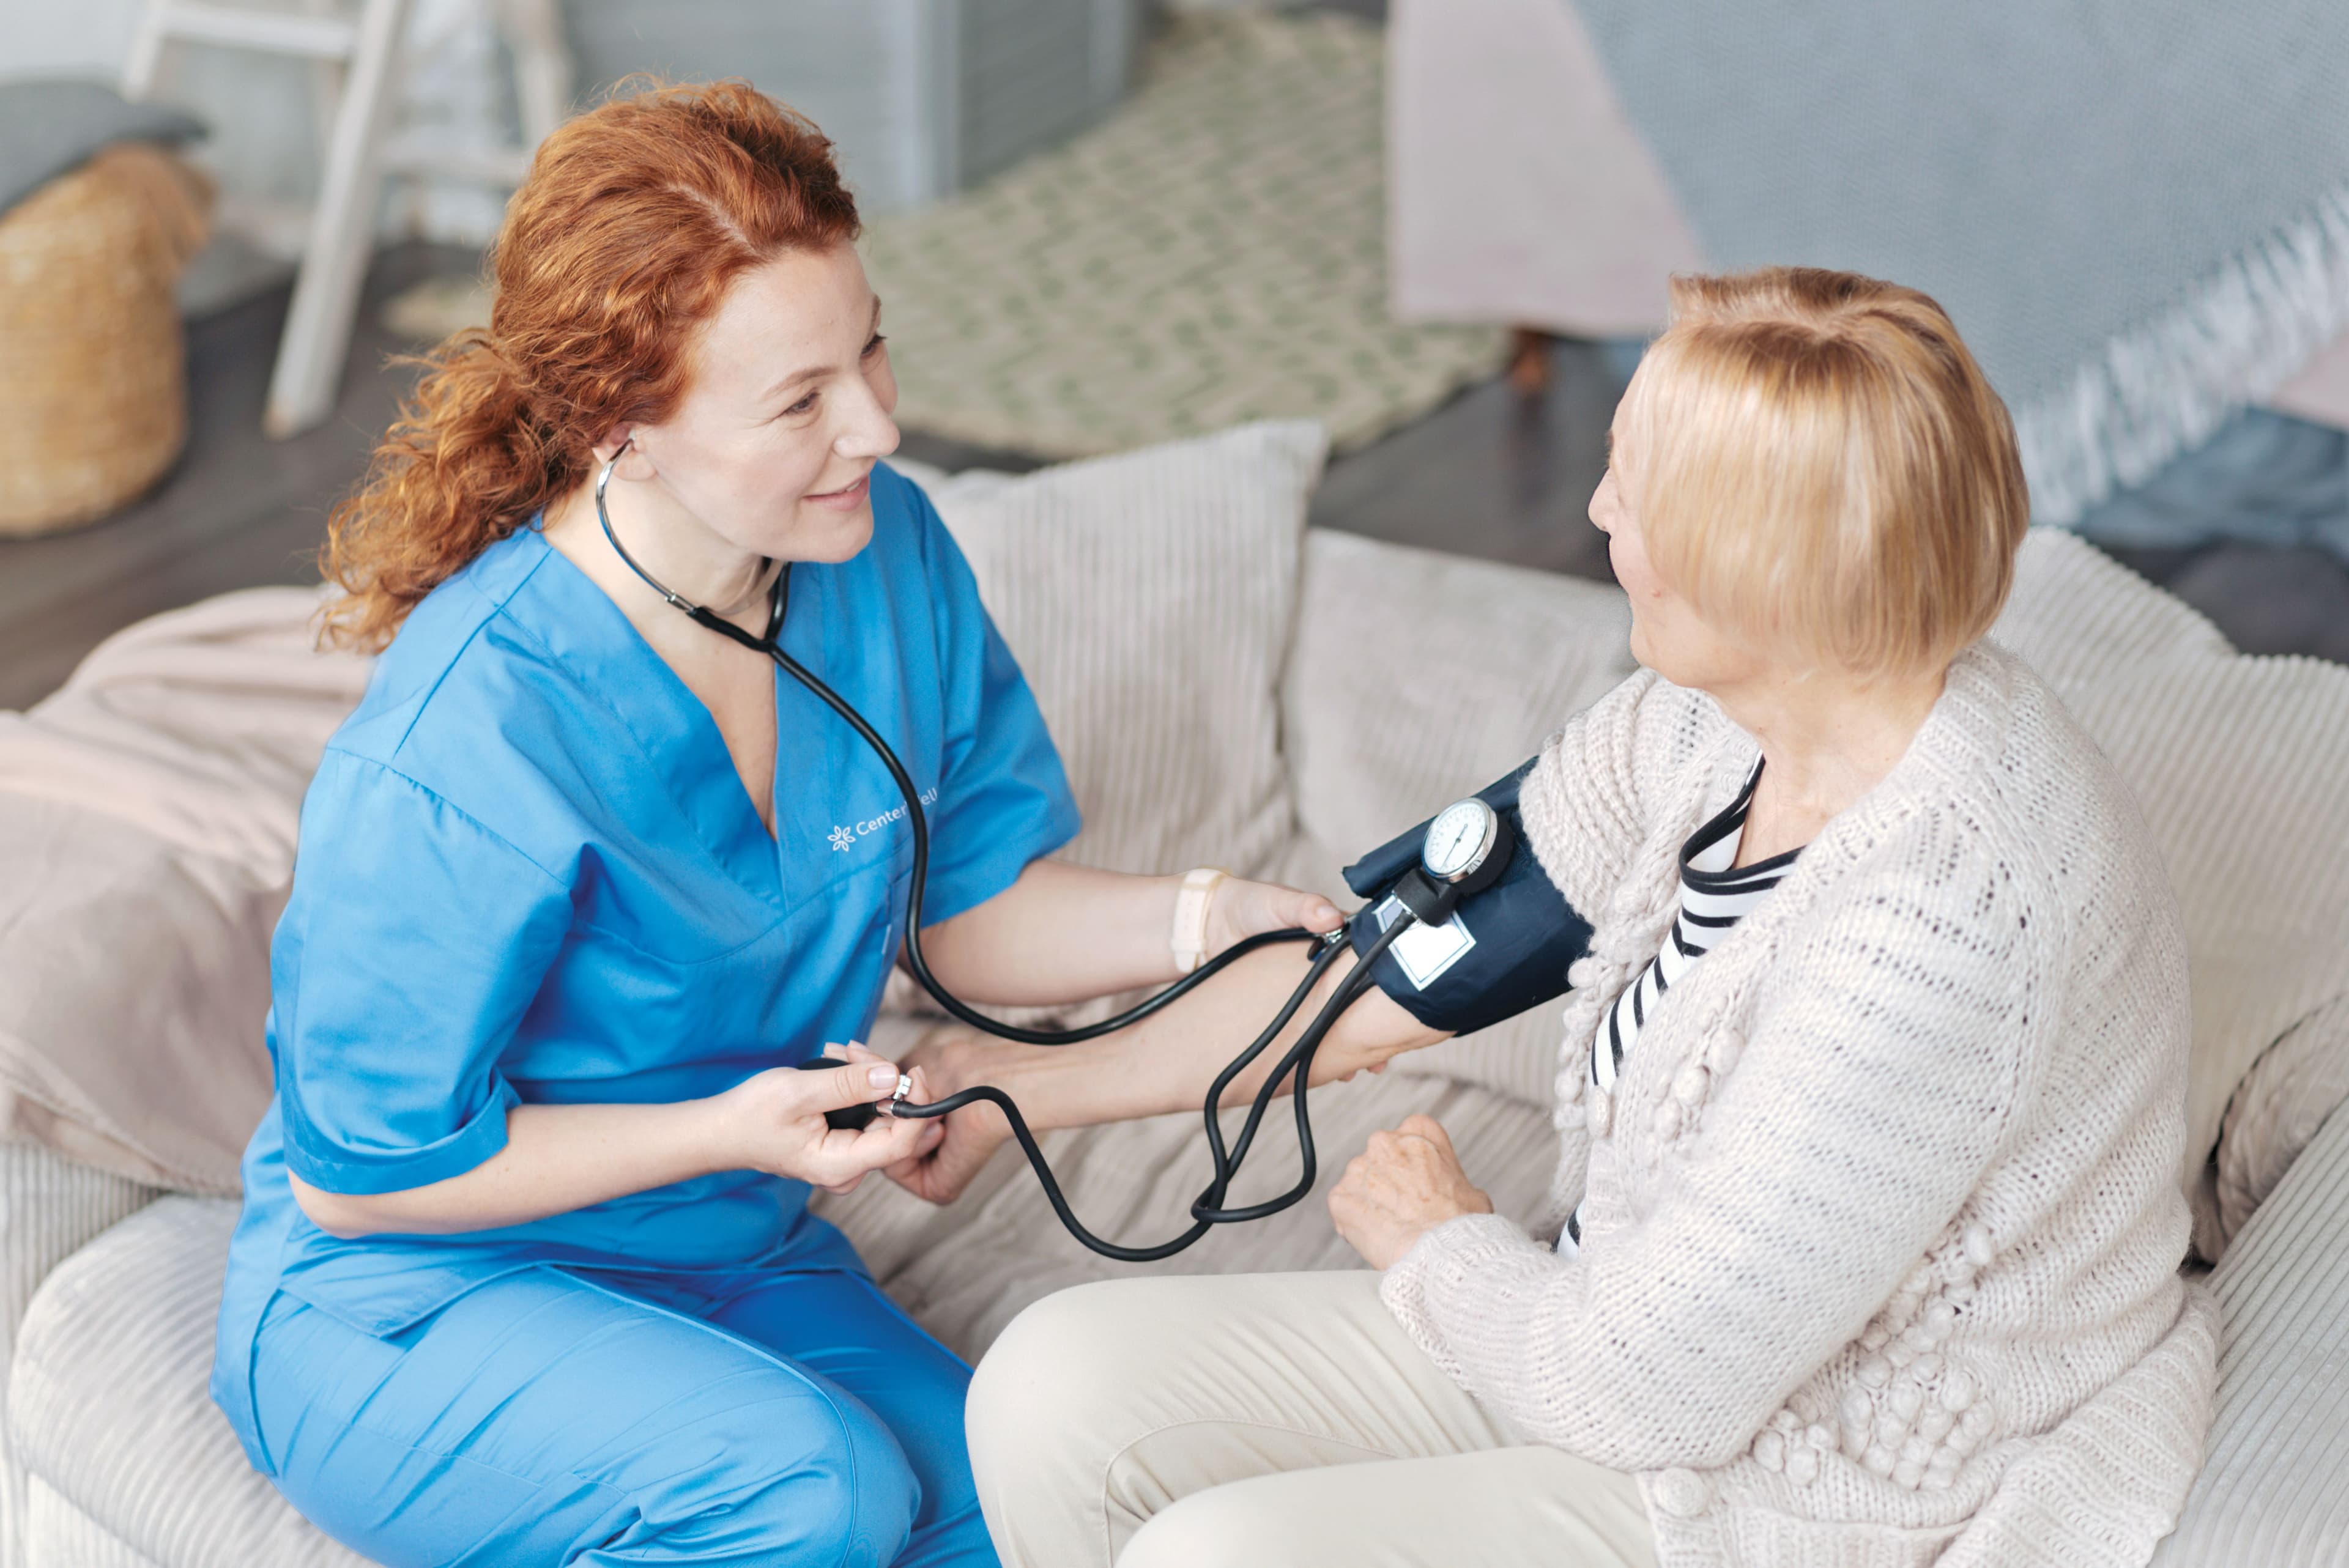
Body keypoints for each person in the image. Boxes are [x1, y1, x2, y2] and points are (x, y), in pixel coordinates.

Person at [207, 81, 1425, 1567]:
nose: (878, 422)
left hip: (724, 1246)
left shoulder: (885, 551)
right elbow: (363, 1172)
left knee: (1020, 1502)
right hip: (410, 1293)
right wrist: (732, 1127)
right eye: (801, 401)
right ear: (618, 427)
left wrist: (1205, 914)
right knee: (811, 1492)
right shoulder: (472, 737)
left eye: (870, 350)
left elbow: (972, 902)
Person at [949, 268, 2218, 1568]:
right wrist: (1012, 1086)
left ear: (1760, 570)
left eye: (1635, 485)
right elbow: (1390, 966)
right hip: (1609, 1327)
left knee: (1217, 1554)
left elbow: (1649, 1388)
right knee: (1050, 1386)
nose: (1599, 506)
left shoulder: (1942, 924)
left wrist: (1441, 1241)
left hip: (1819, 1474)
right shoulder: (1712, 724)